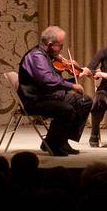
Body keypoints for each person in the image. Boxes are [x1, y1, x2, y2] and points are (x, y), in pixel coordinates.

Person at [17, 26, 92, 157]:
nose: (61, 50)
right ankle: (53, 144)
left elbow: (54, 81)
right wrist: (72, 86)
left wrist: (73, 78)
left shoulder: (47, 56)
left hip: (47, 96)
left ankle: (61, 141)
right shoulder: (36, 56)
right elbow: (47, 80)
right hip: (34, 99)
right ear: (50, 45)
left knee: (84, 101)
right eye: (60, 46)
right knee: (66, 109)